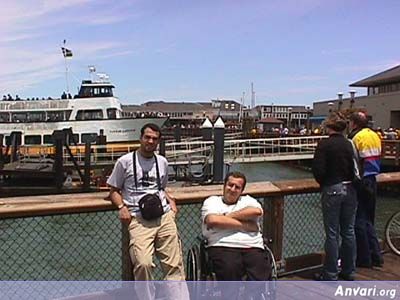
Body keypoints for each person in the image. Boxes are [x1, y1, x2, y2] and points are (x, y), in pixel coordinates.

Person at [107, 123, 185, 283]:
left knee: (174, 266)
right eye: (147, 137)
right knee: (143, 264)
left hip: (164, 216)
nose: (150, 141)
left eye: (154, 139)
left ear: (158, 142)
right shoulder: (124, 161)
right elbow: (113, 190)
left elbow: (161, 188)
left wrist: (171, 200)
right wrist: (121, 207)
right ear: (140, 138)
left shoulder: (162, 162)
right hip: (138, 219)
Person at [201, 171, 271, 281]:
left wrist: (225, 217)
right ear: (224, 186)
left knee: (261, 268)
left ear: (242, 191)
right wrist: (246, 226)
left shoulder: (248, 200)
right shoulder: (212, 201)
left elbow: (256, 211)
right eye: (230, 185)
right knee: (230, 268)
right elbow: (212, 220)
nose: (233, 189)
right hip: (223, 245)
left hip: (251, 246)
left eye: (237, 187)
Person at [312, 112, 357, 281]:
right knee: (349, 231)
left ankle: (330, 272)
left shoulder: (324, 144)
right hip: (350, 188)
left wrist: (324, 182)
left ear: (329, 127)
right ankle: (349, 270)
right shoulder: (349, 144)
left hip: (332, 188)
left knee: (332, 233)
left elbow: (318, 170)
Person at [349, 111, 383, 268]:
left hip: (362, 181)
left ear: (354, 123)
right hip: (373, 179)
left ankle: (364, 258)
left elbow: (354, 162)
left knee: (359, 222)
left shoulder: (357, 138)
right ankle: (376, 255)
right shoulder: (375, 136)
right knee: (368, 220)